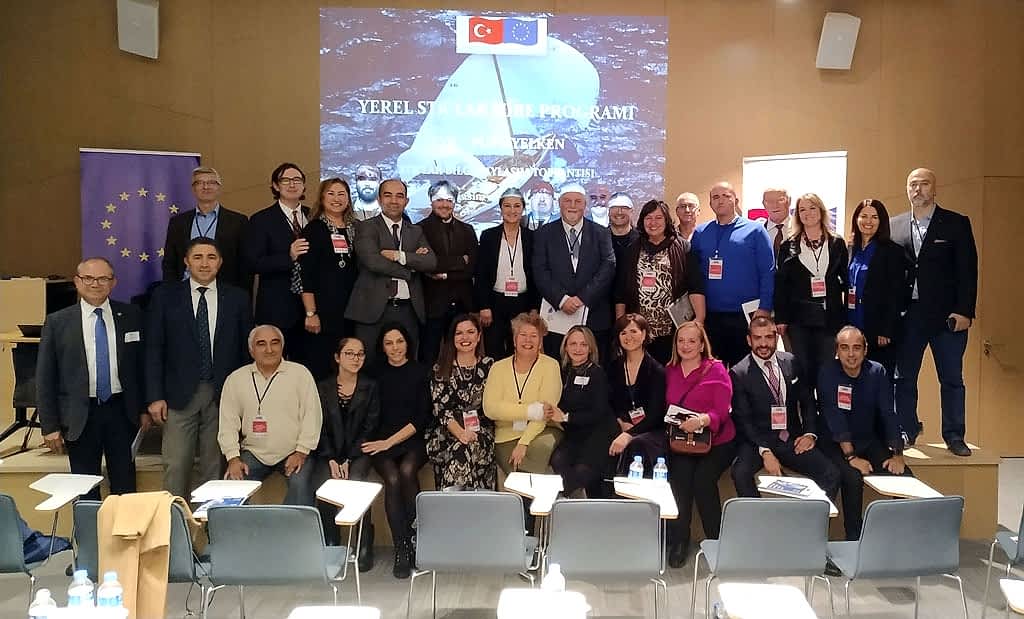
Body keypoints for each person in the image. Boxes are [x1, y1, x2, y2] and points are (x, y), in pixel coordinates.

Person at [145, 237, 252, 498]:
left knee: (214, 466)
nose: (205, 263)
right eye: (198, 257)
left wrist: (244, 398)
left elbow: (245, 351)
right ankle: (175, 521)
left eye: (211, 257)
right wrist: (155, 396)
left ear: (220, 262)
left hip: (223, 395)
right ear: (186, 262)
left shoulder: (237, 298)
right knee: (176, 464)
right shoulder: (165, 296)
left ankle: (209, 520)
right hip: (178, 395)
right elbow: (154, 349)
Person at [36, 257, 148, 500]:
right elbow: (45, 378)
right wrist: (50, 426)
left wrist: (143, 409)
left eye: (103, 278)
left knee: (125, 486)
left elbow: (141, 366)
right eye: (88, 278)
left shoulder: (131, 315)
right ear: (77, 281)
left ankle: (124, 526)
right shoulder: (58, 322)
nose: (95, 284)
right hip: (80, 415)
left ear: (113, 282)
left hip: (122, 412)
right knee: (85, 487)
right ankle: (89, 526)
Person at [890, 168, 978, 455]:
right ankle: (906, 429)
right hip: (908, 316)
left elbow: (968, 270)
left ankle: (954, 436)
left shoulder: (956, 223)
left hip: (947, 317)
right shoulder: (894, 226)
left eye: (924, 184)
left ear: (935, 188)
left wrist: (965, 311)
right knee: (903, 378)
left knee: (951, 379)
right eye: (912, 184)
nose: (918, 189)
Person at [729, 316, 839, 498]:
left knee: (831, 474)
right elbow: (743, 420)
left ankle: (812, 516)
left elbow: (807, 401)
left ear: (777, 337)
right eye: (757, 338)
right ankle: (756, 515)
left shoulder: (791, 361)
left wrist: (809, 433)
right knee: (740, 473)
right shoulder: (738, 373)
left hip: (791, 439)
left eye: (768, 337)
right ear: (749, 340)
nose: (763, 344)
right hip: (757, 440)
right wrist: (765, 452)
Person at [819, 326, 911, 540]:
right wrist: (851, 457)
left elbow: (888, 412)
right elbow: (835, 417)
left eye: (856, 348)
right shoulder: (827, 372)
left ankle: (899, 538)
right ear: (837, 351)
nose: (851, 354)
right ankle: (854, 539)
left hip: (867, 440)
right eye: (845, 348)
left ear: (865, 349)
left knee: (904, 476)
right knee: (852, 477)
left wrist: (897, 454)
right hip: (834, 443)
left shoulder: (877, 371)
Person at [218, 325, 322, 505]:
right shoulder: (236, 379)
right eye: (261, 344)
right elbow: (228, 423)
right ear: (251, 350)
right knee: (232, 486)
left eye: (275, 343)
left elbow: (312, 416)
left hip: (294, 451)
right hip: (254, 453)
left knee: (300, 484)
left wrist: (301, 452)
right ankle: (238, 525)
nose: (269, 349)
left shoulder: (300, 374)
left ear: (282, 346)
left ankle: (291, 524)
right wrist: (233, 458)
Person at [663, 321, 737, 568]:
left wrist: (703, 420)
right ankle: (679, 541)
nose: (686, 346)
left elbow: (722, 411)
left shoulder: (716, 370)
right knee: (680, 479)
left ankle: (716, 542)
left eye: (692, 341)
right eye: (681, 340)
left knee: (703, 481)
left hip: (717, 441)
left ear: (702, 344)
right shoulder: (670, 370)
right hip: (682, 440)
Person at [364, 323, 431, 578]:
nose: (395, 348)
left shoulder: (420, 371)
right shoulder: (373, 374)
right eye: (389, 343)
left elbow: (421, 417)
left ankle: (417, 542)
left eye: (399, 341)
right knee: (392, 478)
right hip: (380, 441)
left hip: (412, 438)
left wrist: (389, 442)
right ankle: (401, 548)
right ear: (382, 347)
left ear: (408, 343)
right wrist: (382, 442)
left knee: (407, 471)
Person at [345, 179, 436, 366]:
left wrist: (399, 255)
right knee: (369, 364)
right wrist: (410, 268)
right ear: (379, 200)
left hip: (407, 310)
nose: (394, 201)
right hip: (372, 309)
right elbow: (373, 261)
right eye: (388, 195)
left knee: (406, 365)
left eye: (399, 196)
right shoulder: (366, 227)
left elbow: (430, 262)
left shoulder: (416, 231)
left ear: (406, 201)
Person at [690, 182, 775, 367]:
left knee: (743, 372)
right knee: (712, 371)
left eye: (726, 196)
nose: (720, 201)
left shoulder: (755, 230)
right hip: (711, 316)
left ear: (735, 201)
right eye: (715, 197)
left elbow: (767, 272)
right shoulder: (700, 233)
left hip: (745, 316)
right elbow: (693, 275)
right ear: (710, 203)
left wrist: (764, 308)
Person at [313, 337, 378, 566]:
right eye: (349, 353)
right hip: (328, 452)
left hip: (359, 451)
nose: (355, 358)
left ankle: (363, 541)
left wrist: (349, 458)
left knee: (357, 481)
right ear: (337, 357)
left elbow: (370, 426)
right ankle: (331, 540)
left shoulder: (371, 386)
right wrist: (331, 458)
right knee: (324, 482)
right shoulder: (322, 387)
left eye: (360, 354)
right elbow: (319, 426)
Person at [532, 182, 617, 360]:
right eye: (567, 201)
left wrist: (582, 298)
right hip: (557, 317)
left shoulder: (601, 232)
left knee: (594, 367)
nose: (572, 206)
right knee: (558, 367)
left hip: (594, 316)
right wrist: (562, 299)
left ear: (585, 205)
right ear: (559, 203)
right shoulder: (544, 233)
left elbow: (608, 266)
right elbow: (539, 270)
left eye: (578, 201)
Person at [616, 199, 706, 364]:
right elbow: (620, 290)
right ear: (642, 221)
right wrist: (620, 323)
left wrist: (699, 319)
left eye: (658, 218)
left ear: (667, 220)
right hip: (638, 330)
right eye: (648, 218)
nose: (653, 223)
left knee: (670, 372)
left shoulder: (682, 247)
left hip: (673, 329)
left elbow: (695, 286)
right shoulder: (632, 249)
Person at [774, 193, 849, 385]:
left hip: (829, 318)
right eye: (802, 210)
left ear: (821, 211)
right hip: (799, 320)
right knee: (803, 371)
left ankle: (824, 405)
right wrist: (781, 318)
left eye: (812, 208)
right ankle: (805, 406)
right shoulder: (788, 245)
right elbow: (781, 285)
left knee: (826, 370)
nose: (808, 213)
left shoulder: (837, 243)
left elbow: (846, 280)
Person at [243, 162, 311, 362]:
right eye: (286, 180)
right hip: (277, 307)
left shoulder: (314, 215)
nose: (292, 184)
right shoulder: (261, 220)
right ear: (275, 185)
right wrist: (288, 257)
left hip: (311, 307)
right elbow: (254, 263)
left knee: (309, 364)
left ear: (304, 185)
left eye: (297, 180)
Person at [483, 312, 563, 474]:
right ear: (514, 340)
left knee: (532, 466)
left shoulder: (551, 365)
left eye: (534, 336)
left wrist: (524, 442)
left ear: (540, 342)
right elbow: (490, 408)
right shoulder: (498, 367)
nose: (528, 340)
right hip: (506, 436)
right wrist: (532, 411)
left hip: (542, 432)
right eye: (523, 335)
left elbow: (546, 411)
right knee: (518, 473)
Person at [299, 178, 360, 381]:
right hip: (323, 311)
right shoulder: (313, 229)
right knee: (323, 365)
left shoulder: (356, 228)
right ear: (322, 197)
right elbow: (305, 274)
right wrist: (311, 313)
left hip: (352, 310)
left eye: (342, 194)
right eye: (331, 193)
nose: (337, 198)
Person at [426, 314, 496, 490]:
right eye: (459, 333)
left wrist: (470, 434)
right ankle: (465, 502)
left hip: (481, 430)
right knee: (460, 449)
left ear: (478, 336)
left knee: (464, 449)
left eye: (470, 332)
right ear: (452, 338)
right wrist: (461, 433)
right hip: (448, 430)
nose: (465, 337)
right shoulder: (440, 368)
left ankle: (452, 501)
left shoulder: (490, 366)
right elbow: (442, 410)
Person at [547, 326, 617, 497]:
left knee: (580, 473)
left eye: (583, 344)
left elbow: (598, 412)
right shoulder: (561, 372)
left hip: (598, 433)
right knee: (557, 460)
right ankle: (567, 501)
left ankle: (561, 502)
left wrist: (566, 417)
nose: (578, 349)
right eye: (573, 344)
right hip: (574, 434)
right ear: (565, 347)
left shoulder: (597, 373)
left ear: (590, 348)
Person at [418, 180, 479, 363]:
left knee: (460, 356)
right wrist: (460, 261)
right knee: (429, 355)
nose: (444, 204)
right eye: (439, 200)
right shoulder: (418, 229)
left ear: (455, 202)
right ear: (431, 200)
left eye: (449, 200)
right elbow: (427, 264)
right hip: (432, 305)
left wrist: (444, 273)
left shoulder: (467, 230)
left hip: (462, 304)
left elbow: (472, 268)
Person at [476, 188, 540, 359]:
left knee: (520, 350)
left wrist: (534, 307)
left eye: (517, 206)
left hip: (523, 303)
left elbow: (536, 275)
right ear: (501, 208)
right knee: (494, 351)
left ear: (523, 209)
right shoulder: (488, 236)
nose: (512, 210)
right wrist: (484, 306)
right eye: (507, 206)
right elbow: (481, 273)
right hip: (495, 303)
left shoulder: (532, 237)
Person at [161, 166, 249, 291]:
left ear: (218, 187)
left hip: (225, 292)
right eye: (200, 183)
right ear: (193, 189)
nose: (206, 187)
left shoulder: (238, 221)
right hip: (184, 291)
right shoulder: (178, 222)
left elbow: (245, 265)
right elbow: (169, 262)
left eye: (211, 182)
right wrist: (171, 292)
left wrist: (243, 295)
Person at [847, 199, 908, 375]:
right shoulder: (851, 249)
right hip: (853, 324)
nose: (868, 221)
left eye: (874, 217)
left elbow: (896, 293)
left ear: (881, 221)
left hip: (878, 330)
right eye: (864, 216)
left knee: (878, 379)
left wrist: (886, 329)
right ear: (856, 219)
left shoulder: (892, 251)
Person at [606, 313, 668, 470]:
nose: (628, 337)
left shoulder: (657, 371)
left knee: (637, 444)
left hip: (650, 429)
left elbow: (656, 415)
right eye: (623, 332)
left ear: (644, 334)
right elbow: (608, 403)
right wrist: (620, 423)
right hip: (620, 424)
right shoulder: (613, 367)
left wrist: (630, 433)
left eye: (633, 331)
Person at [762, 188, 791, 262]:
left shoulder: (802, 228)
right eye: (769, 201)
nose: (775, 205)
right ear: (764, 204)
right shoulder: (757, 232)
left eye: (780, 200)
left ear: (789, 201)